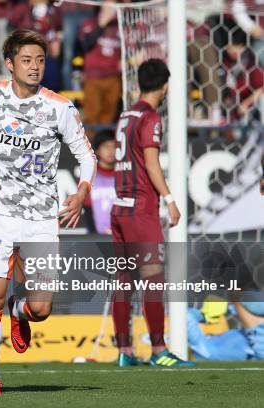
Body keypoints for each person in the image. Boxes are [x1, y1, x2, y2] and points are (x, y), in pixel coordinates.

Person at [0, 29, 96, 394]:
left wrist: (82, 192)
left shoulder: (59, 108)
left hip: (42, 218)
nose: (34, 67)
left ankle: (18, 309)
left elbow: (87, 157)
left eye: (40, 60)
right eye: (26, 60)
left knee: (40, 309)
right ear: (10, 64)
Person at [111, 58, 194, 368]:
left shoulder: (125, 115)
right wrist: (170, 199)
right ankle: (159, 350)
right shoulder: (150, 118)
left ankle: (125, 352)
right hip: (141, 210)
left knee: (124, 280)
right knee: (154, 278)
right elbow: (150, 162)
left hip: (120, 208)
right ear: (165, 86)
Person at [79, 0, 122, 136]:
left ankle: (103, 145)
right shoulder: (90, 24)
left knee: (108, 117)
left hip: (113, 77)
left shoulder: (119, 27)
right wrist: (101, 26)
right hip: (94, 77)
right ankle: (89, 149)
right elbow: (86, 45)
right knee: (92, 116)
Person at [83, 129, 115, 235]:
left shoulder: (125, 176)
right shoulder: (89, 177)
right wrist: (95, 237)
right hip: (97, 239)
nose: (111, 151)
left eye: (114, 146)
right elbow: (88, 209)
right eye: (106, 146)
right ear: (97, 150)